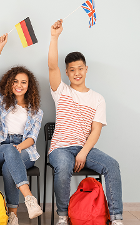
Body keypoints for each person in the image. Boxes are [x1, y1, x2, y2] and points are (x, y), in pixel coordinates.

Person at [48, 20, 123, 225]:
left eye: (80, 68)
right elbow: (51, 66)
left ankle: (116, 217)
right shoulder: (61, 91)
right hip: (60, 148)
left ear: (86, 69)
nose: (77, 73)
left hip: (85, 148)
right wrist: (54, 37)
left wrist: (83, 152)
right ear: (67, 73)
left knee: (112, 165)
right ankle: (63, 216)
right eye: (72, 70)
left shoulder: (98, 98)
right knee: (63, 165)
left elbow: (96, 131)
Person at [0, 33, 43, 225]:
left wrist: (20, 147)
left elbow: (32, 138)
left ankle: (13, 215)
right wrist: (0, 47)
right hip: (2, 147)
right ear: (10, 83)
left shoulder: (36, 111)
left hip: (25, 148)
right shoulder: (3, 102)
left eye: (23, 82)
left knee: (12, 164)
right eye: (16, 81)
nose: (19, 85)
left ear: (29, 86)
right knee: (9, 151)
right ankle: (29, 198)